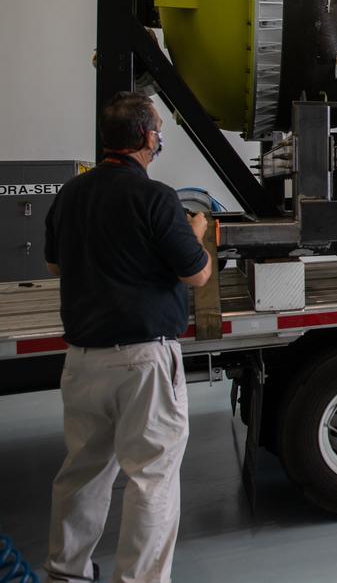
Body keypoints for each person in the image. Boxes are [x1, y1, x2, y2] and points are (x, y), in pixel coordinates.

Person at [43, 92, 213, 582]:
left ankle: (65, 573)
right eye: (158, 130)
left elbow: (54, 264)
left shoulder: (71, 193)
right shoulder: (155, 197)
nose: (159, 138)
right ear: (146, 138)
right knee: (151, 479)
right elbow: (197, 275)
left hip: (83, 360)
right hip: (144, 361)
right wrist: (196, 231)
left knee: (82, 473)